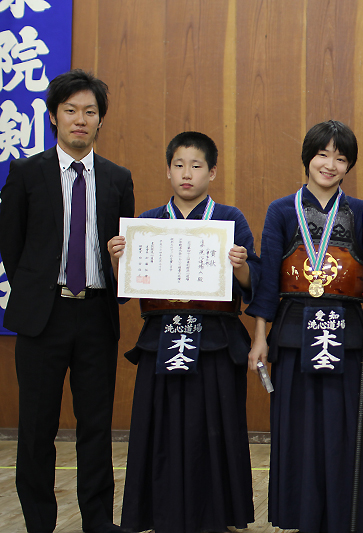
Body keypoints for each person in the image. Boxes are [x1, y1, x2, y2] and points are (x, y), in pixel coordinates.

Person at [0, 69, 134, 533]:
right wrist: (39, 288)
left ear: (100, 121)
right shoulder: (26, 173)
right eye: (71, 111)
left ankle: (98, 522)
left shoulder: (118, 178)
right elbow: (11, 245)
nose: (80, 120)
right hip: (44, 315)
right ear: (54, 116)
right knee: (37, 429)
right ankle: (39, 523)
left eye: (90, 112)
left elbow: (123, 249)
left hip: (96, 314)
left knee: (95, 427)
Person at [107, 131, 256, 533]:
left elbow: (251, 285)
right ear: (168, 171)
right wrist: (119, 260)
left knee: (215, 428)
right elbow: (125, 292)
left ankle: (217, 515)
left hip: (214, 340)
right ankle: (161, 513)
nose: (186, 174)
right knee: (161, 427)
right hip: (162, 338)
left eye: (196, 166)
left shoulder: (231, 219)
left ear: (212, 172)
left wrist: (240, 264)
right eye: (179, 165)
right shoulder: (150, 222)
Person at [247, 120, 363, 533]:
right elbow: (268, 278)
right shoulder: (282, 209)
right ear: (308, 157)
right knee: (299, 429)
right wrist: (259, 338)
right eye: (323, 154)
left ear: (349, 166)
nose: (330, 164)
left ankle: (348, 516)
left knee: (345, 427)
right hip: (292, 331)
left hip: (347, 331)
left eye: (341, 158)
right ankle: (301, 515)